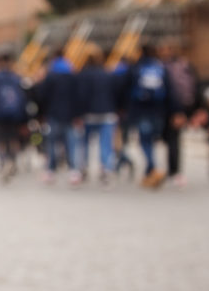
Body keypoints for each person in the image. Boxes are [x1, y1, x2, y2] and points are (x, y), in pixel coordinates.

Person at [128, 43, 178, 188]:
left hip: (142, 111)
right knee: (153, 141)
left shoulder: (136, 68)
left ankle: (152, 168)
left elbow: (127, 90)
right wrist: (176, 111)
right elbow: (170, 90)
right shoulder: (161, 68)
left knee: (145, 141)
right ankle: (151, 170)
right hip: (159, 111)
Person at [36, 49, 82, 185]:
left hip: (53, 114)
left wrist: (41, 114)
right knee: (71, 144)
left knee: (51, 144)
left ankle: (50, 171)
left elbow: (41, 96)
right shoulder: (72, 75)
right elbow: (78, 97)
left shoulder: (50, 76)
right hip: (70, 115)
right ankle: (74, 172)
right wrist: (77, 114)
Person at [76, 47, 123, 185]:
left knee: (83, 143)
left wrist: (78, 113)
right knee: (106, 144)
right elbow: (117, 94)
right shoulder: (109, 74)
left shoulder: (82, 75)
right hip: (107, 113)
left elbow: (80, 96)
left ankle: (83, 167)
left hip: (87, 114)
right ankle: (106, 170)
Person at [0, 52, 29, 181]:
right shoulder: (17, 78)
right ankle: (12, 160)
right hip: (16, 114)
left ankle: (4, 160)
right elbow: (24, 98)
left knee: (0, 139)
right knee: (14, 138)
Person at [160, 42, 199, 188]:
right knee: (172, 139)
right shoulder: (185, 66)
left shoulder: (168, 68)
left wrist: (180, 112)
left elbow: (178, 92)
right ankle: (173, 171)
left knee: (172, 139)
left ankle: (173, 171)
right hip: (177, 108)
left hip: (170, 109)